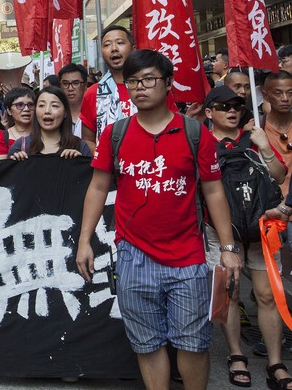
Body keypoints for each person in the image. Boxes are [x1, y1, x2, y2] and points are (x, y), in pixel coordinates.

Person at [76, 49, 242, 390]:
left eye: (149, 79)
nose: (140, 87)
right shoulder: (115, 135)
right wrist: (84, 241)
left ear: (168, 84)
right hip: (134, 256)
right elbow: (97, 188)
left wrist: (227, 247)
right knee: (147, 343)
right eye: (133, 81)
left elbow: (213, 192)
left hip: (188, 256)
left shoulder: (195, 134)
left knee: (193, 343)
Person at [201, 85, 290, 389]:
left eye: (237, 106)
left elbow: (278, 175)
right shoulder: (199, 142)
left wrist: (264, 146)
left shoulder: (254, 139)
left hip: (260, 229)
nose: (232, 111)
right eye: (223, 106)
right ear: (209, 112)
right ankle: (236, 354)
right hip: (218, 232)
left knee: (267, 295)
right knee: (228, 296)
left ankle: (276, 361)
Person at [80, 24, 176, 148]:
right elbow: (88, 139)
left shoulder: (156, 88)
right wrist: (105, 163)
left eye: (120, 43)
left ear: (133, 49)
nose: (114, 48)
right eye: (107, 45)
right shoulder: (93, 93)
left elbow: (173, 127)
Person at [7, 86, 91, 159]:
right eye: (41, 105)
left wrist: (80, 163)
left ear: (65, 112)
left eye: (54, 106)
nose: (47, 111)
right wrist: (16, 164)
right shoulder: (20, 146)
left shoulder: (80, 147)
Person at [262, 71, 292, 194]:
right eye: (278, 93)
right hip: (271, 204)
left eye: (290, 93)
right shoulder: (256, 129)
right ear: (266, 95)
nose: (285, 99)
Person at [0, 87, 35, 160]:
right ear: (9, 111)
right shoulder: (2, 137)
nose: (26, 109)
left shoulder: (44, 133)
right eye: (20, 105)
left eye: (30, 104)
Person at [58, 63, 89, 139]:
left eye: (75, 83)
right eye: (65, 84)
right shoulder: (56, 115)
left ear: (85, 86)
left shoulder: (94, 113)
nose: (70, 88)